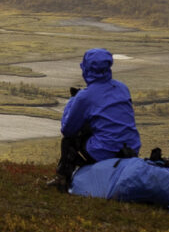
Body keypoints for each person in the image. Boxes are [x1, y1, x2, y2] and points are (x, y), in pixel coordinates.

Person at [55, 48, 141, 188]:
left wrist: (72, 101)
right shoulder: (122, 88)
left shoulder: (85, 96)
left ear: (86, 69)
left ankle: (64, 180)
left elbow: (67, 129)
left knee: (69, 141)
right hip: (132, 149)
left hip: (105, 152)